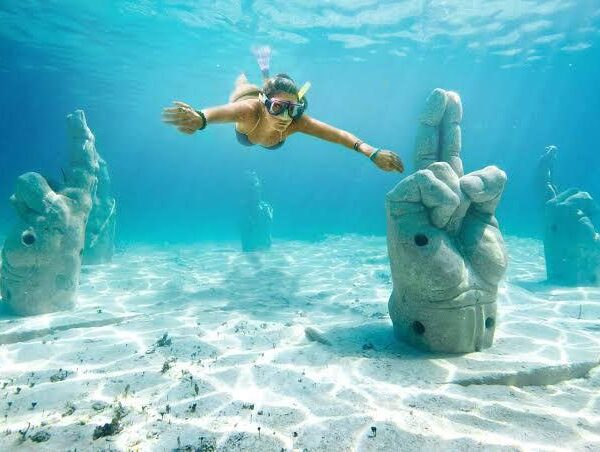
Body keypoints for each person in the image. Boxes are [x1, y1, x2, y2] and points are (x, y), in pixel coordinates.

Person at [162, 46, 404, 173]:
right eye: (277, 108)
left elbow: (338, 135)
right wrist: (200, 118)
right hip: (246, 96)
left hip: (265, 99)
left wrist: (372, 153)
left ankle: (266, 74)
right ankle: (245, 73)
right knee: (241, 84)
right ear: (265, 103)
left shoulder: (297, 122)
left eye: (292, 109)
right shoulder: (248, 109)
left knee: (276, 92)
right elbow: (217, 112)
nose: (286, 117)